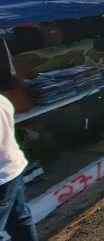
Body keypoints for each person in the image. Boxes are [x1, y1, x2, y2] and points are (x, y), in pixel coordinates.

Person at [1, 94, 38, 240]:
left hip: (4, 175)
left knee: (20, 220)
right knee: (20, 220)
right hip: (12, 170)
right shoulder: (2, 100)